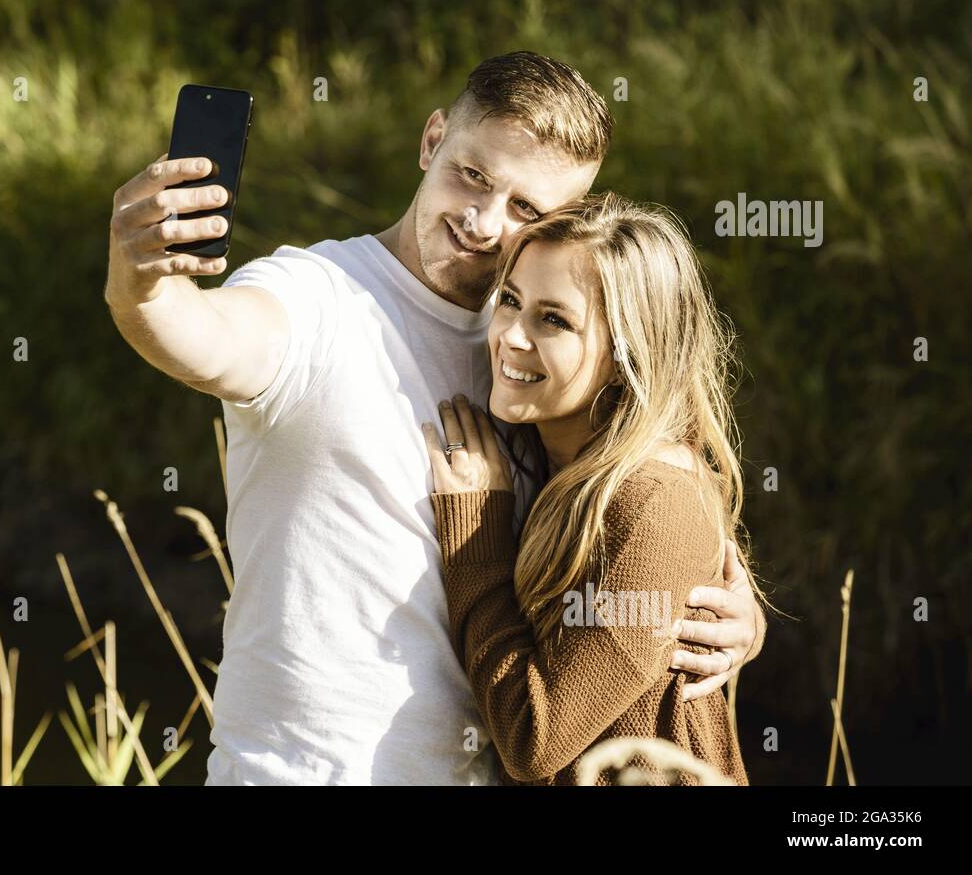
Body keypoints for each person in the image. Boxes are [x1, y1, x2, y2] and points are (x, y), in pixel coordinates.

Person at [106, 51, 766, 785]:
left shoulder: (532, 350)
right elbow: (199, 336)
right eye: (473, 176)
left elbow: (635, 504)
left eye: (528, 210)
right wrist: (143, 285)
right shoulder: (318, 298)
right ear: (432, 142)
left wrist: (720, 614)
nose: (485, 222)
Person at [424, 193, 762, 785]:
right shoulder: (552, 457)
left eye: (553, 319)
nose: (512, 337)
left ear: (628, 351)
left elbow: (538, 737)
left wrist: (476, 536)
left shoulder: (650, 503)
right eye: (510, 301)